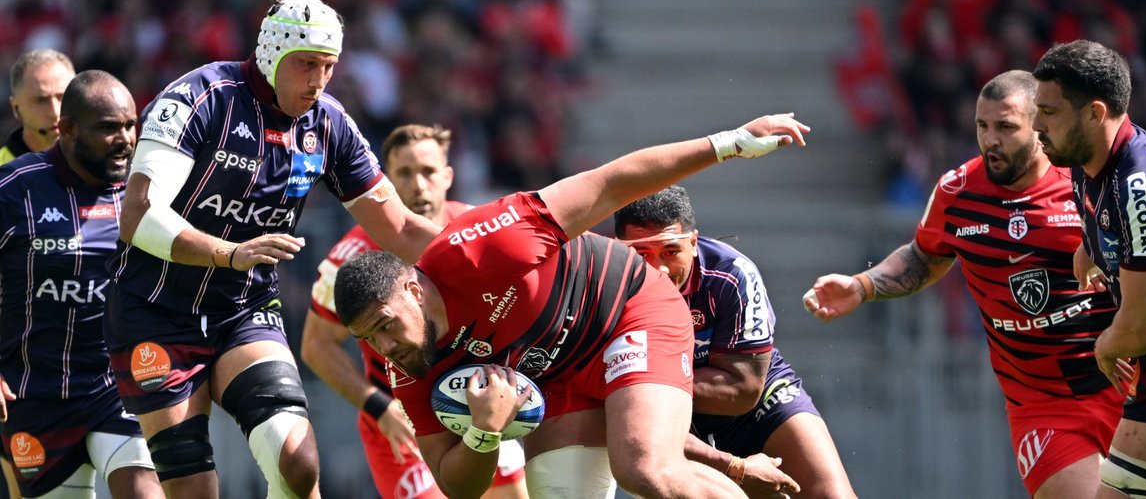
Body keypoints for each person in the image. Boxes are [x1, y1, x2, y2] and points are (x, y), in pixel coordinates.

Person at [332, 113, 808, 498]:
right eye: (369, 338)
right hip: (556, 376)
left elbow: (611, 183)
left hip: (627, 311)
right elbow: (453, 483)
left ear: (414, 291)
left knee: (642, 469)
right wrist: (484, 433)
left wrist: (731, 141)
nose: (384, 346)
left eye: (386, 325)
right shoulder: (408, 367)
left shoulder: (485, 245)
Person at [103, 0, 442, 497]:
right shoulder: (201, 97)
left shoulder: (328, 124)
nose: (319, 80)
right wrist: (230, 253)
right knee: (194, 490)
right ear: (270, 53)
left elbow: (401, 230)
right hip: (153, 313)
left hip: (242, 312)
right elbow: (137, 218)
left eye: (329, 66)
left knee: (298, 465)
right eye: (307, 63)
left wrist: (492, 248)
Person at [803, 70, 1124, 498]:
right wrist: (862, 285)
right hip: (1044, 406)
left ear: (1040, 125)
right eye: (982, 126)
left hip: (1125, 384)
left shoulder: (1087, 184)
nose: (990, 139)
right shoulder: (957, 192)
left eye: (1006, 127)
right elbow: (923, 256)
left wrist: (1133, 335)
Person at [301, 124, 527, 499]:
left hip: (477, 402)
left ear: (448, 177)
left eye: (428, 172)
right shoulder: (353, 258)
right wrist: (377, 408)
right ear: (386, 184)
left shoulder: (477, 230)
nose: (418, 186)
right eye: (404, 174)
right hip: (401, 419)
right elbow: (315, 345)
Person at [1031, 40, 1146, 498]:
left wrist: (1107, 346)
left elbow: (1145, 325)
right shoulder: (1088, 160)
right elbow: (1103, 219)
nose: (1035, 125)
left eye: (1048, 111)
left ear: (1094, 113)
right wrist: (1090, 249)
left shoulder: (1142, 187)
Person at [614, 185, 855, 498]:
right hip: (670, 413)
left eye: (671, 252)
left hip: (756, 402)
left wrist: (642, 385)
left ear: (693, 242)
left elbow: (743, 389)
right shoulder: (605, 291)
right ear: (618, 250)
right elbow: (631, 416)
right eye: (641, 254)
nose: (658, 269)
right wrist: (734, 467)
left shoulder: (731, 273)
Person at [0, 70, 163, 498]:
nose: (126, 138)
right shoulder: (13, 190)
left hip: (117, 385)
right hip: (33, 395)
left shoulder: (142, 190)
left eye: (130, 125)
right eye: (109, 128)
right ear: (66, 130)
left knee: (144, 491)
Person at [1, 49, 74, 164]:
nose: (55, 112)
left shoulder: (102, 163)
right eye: (41, 101)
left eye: (62, 97)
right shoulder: (4, 174)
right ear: (16, 108)